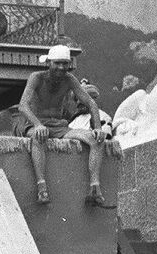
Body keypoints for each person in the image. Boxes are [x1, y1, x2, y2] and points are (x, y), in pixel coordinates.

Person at [17, 44, 108, 205]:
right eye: (57, 63)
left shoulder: (69, 79)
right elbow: (23, 105)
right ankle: (42, 188)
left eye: (64, 63)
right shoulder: (36, 77)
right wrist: (37, 125)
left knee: (96, 140)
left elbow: (91, 103)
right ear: (49, 63)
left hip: (59, 126)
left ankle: (95, 189)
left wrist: (98, 129)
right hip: (35, 124)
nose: (61, 67)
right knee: (38, 137)